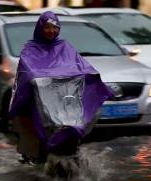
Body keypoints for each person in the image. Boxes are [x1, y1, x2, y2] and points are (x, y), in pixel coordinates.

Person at [8, 11, 112, 161]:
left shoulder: (64, 47)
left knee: (74, 128)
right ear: (40, 28)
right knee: (40, 135)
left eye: (55, 27)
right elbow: (26, 71)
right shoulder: (30, 49)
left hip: (65, 101)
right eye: (47, 27)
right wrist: (36, 79)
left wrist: (90, 74)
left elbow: (79, 66)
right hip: (39, 100)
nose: (52, 31)